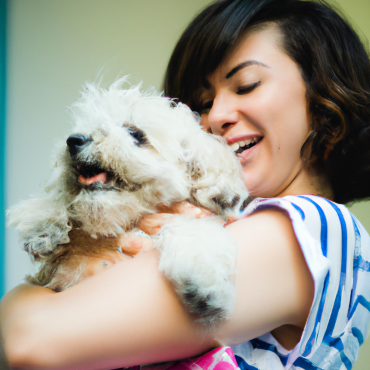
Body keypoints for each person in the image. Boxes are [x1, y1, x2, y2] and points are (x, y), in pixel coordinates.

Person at [1, 0, 370, 369]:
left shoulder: (312, 229)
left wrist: (20, 300)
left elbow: (30, 341)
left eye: (245, 86)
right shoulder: (223, 225)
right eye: (202, 103)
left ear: (326, 105)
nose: (215, 117)